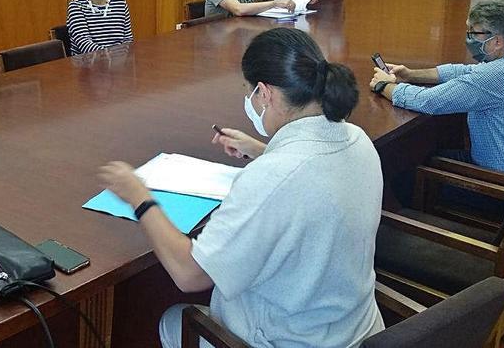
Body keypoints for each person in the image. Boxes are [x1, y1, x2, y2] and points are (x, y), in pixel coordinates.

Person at [99, 28, 384, 348]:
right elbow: (309, 173)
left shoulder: (271, 178)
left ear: (265, 93)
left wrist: (139, 196)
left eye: (250, 92)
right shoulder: (357, 140)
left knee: (172, 319)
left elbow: (189, 273)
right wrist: (263, 149)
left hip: (290, 339)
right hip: (356, 330)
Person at [369, 0, 504, 180]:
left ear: (497, 41)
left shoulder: (497, 75)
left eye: (474, 32)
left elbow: (427, 101)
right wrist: (412, 74)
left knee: (399, 168)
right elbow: (467, 72)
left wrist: (384, 85)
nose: (469, 38)